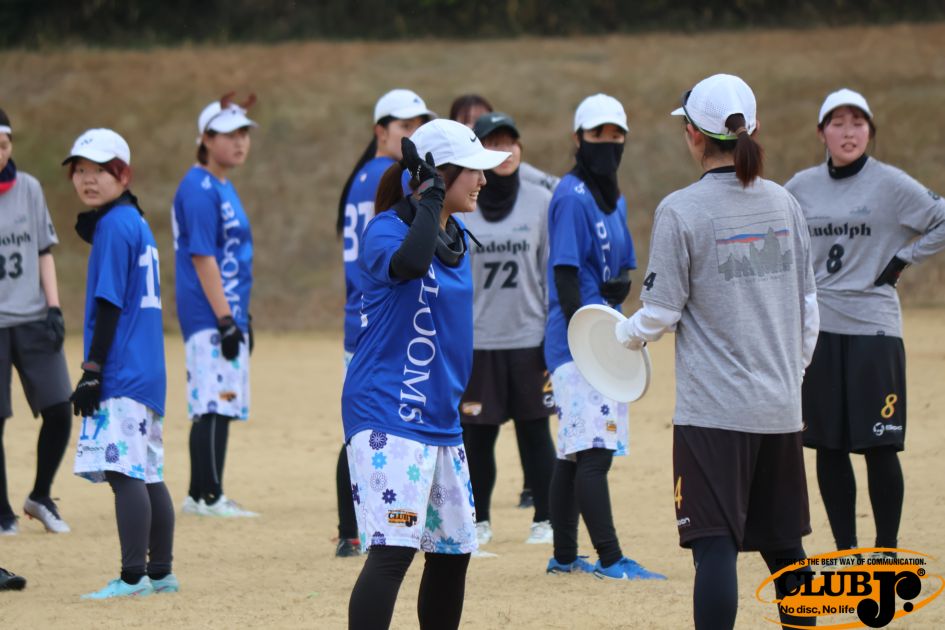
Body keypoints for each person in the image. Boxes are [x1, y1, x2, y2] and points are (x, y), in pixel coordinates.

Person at [616, 74, 818, 628]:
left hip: (713, 416)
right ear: (754, 128)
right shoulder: (785, 202)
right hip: (780, 409)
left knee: (714, 547)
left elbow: (660, 313)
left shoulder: (681, 210)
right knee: (785, 550)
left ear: (693, 135)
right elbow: (809, 308)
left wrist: (620, 335)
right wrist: (790, 376)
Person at [342, 119, 509, 630]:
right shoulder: (386, 230)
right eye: (472, 171)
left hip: (439, 419)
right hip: (387, 412)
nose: (483, 181)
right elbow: (411, 264)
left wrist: (435, 203)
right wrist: (431, 196)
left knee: (453, 552)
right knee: (394, 552)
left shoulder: (455, 235)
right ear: (438, 175)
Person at [785, 89, 945, 558]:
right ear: (821, 133)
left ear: (870, 131)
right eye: (837, 123)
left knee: (880, 445)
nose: (848, 132)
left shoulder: (891, 184)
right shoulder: (800, 187)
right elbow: (778, 238)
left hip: (875, 330)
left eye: (858, 123)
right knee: (828, 446)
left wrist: (904, 257)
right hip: (819, 331)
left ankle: (886, 551)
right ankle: (846, 549)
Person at [544, 93, 663, 581]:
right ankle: (611, 560)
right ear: (578, 139)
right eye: (598, 134)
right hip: (581, 343)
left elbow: (622, 268)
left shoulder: (614, 197)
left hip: (604, 336)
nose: (608, 143)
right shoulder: (571, 196)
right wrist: (585, 343)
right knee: (594, 452)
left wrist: (618, 291)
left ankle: (564, 556)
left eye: (616, 135)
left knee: (574, 452)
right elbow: (565, 276)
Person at [65, 128, 178, 599]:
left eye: (100, 170)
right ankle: (161, 572)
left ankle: (133, 578)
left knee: (123, 472)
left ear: (123, 175)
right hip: (148, 369)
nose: (88, 179)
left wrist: (92, 370)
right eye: (80, 170)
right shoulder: (134, 220)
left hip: (123, 369)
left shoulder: (114, 225)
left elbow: (109, 301)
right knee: (147, 472)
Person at [334, 89, 433, 557]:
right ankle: (359, 530)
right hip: (380, 315)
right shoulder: (388, 176)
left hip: (362, 311)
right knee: (373, 428)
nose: (414, 135)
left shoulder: (361, 176)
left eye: (420, 126)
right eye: (405, 126)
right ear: (380, 130)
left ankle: (353, 530)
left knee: (364, 427)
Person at [449, 93, 558, 511]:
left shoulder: (541, 201)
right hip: (478, 340)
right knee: (477, 437)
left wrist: (551, 332)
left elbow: (549, 272)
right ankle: (477, 521)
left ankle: (545, 519)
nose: (506, 151)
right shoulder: (462, 206)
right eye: (494, 144)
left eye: (511, 142)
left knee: (535, 434)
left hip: (528, 337)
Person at [172, 94, 258, 518]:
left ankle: (201, 493)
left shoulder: (222, 185)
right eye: (229, 134)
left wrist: (241, 317)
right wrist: (224, 318)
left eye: (244, 133)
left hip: (227, 310)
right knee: (210, 402)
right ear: (206, 138)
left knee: (223, 401)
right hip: (209, 313)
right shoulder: (199, 188)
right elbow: (203, 257)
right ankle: (208, 496)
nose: (240, 141)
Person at [0, 108, 73, 535]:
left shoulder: (28, 188)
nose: (0, 153)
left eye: (4, 145)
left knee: (60, 409)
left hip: (32, 316)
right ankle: (1, 512)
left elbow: (43, 251)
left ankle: (40, 496)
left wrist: (54, 307)